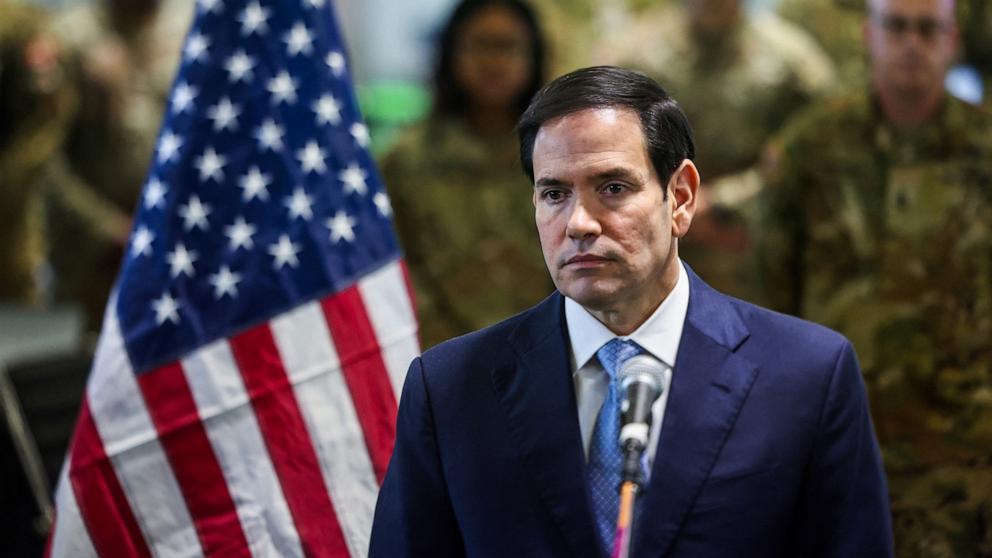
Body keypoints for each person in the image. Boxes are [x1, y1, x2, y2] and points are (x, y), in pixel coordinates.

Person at [370, 66, 893, 557]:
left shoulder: (807, 376)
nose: (578, 223)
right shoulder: (450, 389)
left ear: (680, 197)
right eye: (554, 193)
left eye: (613, 189)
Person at [757, 0, 992, 555]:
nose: (912, 43)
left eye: (928, 29)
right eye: (897, 27)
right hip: (842, 437)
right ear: (869, 35)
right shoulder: (811, 147)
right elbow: (771, 294)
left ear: (952, 40)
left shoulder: (985, 149)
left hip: (965, 453)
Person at [604, 0, 837, 303]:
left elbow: (818, 155)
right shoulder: (634, 56)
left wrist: (725, 202)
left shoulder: (794, 64)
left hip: (755, 251)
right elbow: (604, 151)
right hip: (654, 246)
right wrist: (673, 202)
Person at [380, 0, 552, 349]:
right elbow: (392, 269)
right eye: (480, 45)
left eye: (507, 46)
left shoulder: (560, 152)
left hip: (549, 350)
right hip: (441, 356)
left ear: (533, 56)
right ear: (450, 54)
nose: (494, 61)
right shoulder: (406, 161)